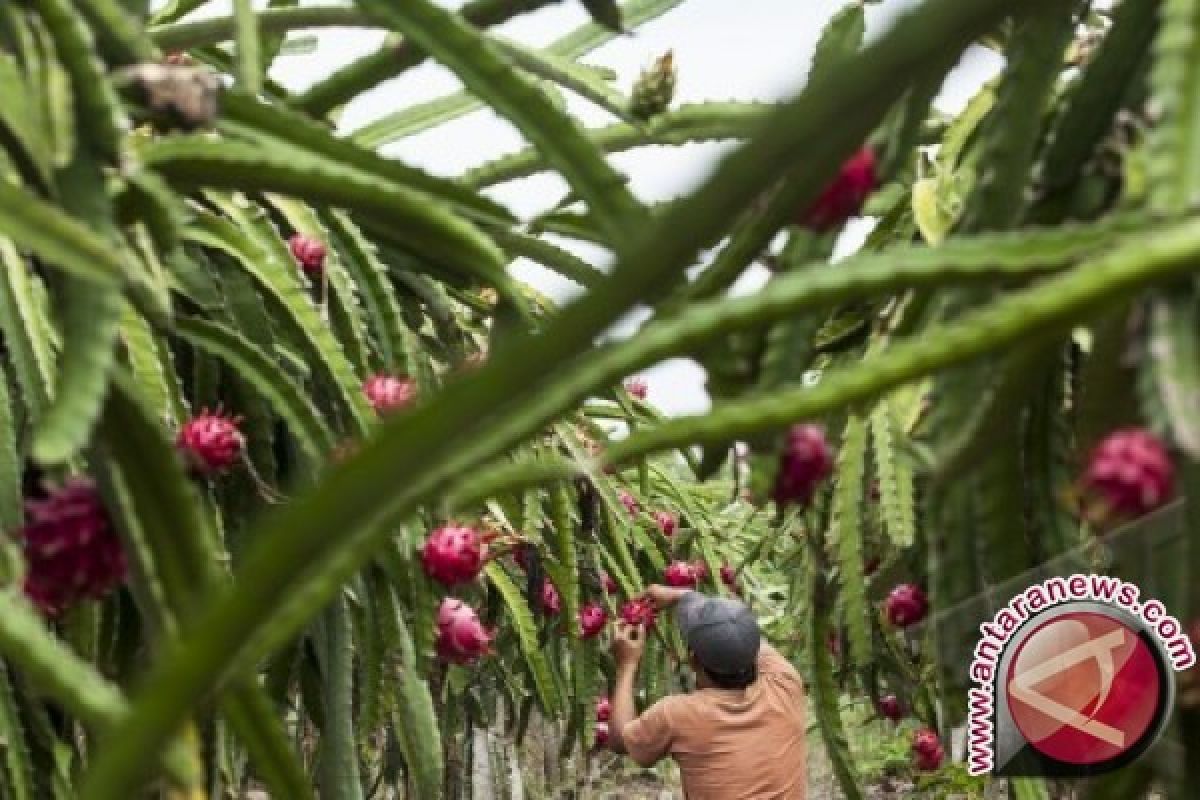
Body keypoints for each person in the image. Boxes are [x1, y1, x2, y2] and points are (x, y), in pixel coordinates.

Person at [606, 584, 807, 799]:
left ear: (692, 660)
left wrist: (627, 665)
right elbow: (738, 637)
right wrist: (684, 596)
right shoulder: (786, 681)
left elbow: (620, 740)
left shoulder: (679, 715)